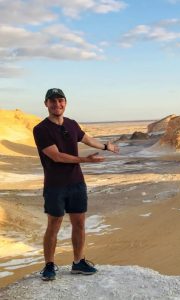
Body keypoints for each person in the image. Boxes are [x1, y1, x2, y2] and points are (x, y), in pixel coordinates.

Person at [33, 88, 119, 281]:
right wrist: (85, 161)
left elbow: (85, 138)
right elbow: (56, 156)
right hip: (55, 185)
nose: (57, 104)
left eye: (60, 100)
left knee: (79, 223)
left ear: (66, 102)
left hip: (77, 183)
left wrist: (105, 146)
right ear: (46, 104)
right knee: (53, 225)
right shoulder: (41, 129)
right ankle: (49, 265)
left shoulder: (71, 124)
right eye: (52, 101)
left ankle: (78, 262)